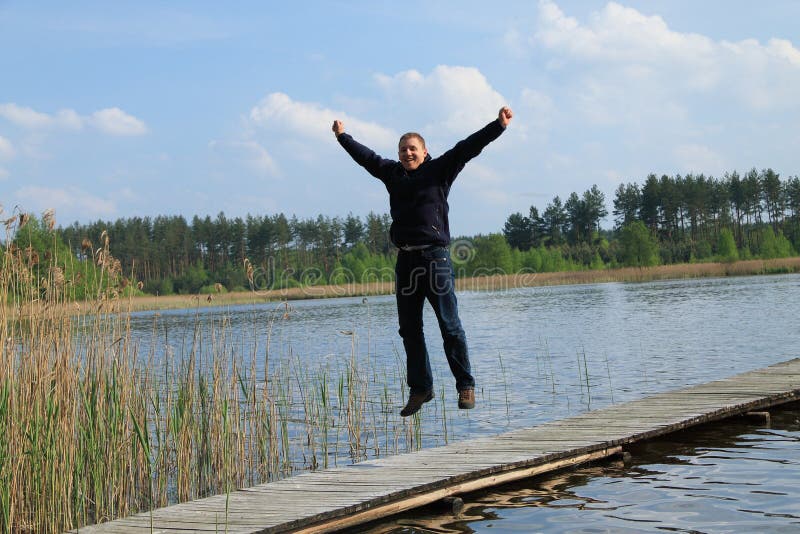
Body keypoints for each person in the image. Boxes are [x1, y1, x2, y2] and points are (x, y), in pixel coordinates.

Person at [332, 106, 513, 416]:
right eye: (403, 149)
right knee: (409, 329)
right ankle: (421, 389)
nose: (407, 153)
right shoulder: (392, 173)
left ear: (424, 151)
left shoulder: (439, 170)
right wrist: (342, 137)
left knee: (450, 325)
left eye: (412, 148)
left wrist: (498, 125)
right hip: (406, 262)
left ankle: (465, 385)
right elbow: (366, 157)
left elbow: (468, 147)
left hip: (435, 259)